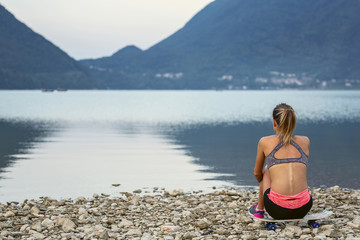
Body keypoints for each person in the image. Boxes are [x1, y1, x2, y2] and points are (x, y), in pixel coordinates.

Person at [249, 103, 312, 219]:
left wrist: (264, 184)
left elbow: (257, 173)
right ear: (294, 122)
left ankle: (260, 209)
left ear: (274, 123)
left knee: (267, 169)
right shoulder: (305, 141)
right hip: (304, 207)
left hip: (276, 209)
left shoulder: (264, 142)